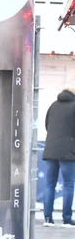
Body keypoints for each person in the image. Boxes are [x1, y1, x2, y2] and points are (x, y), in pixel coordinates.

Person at [43, 85, 75, 227]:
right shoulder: (74, 106)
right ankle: (66, 219)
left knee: (50, 184)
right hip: (68, 151)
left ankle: (48, 219)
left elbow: (47, 125)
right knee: (68, 184)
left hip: (50, 150)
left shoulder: (53, 105)